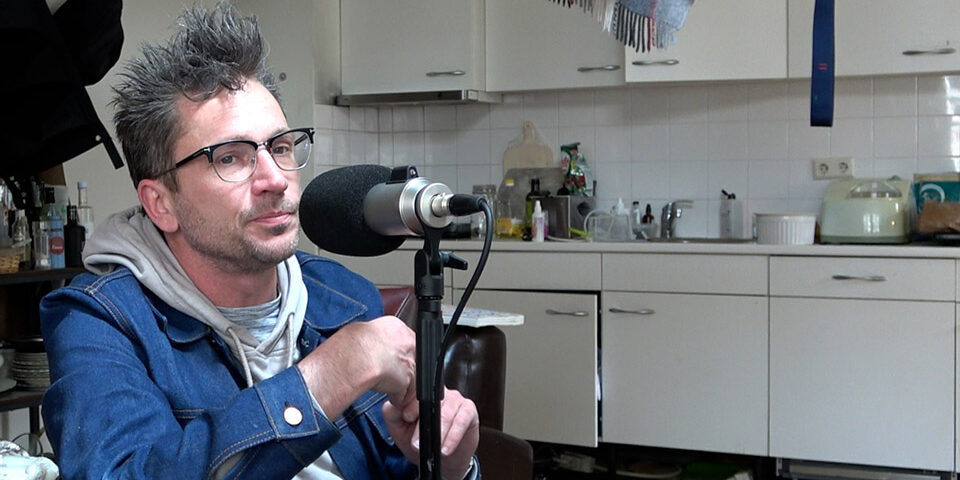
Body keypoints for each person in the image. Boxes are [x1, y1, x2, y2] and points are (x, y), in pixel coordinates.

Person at [38, 2, 480, 479]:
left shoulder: (341, 294)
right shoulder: (99, 320)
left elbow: (397, 464)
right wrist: (330, 374)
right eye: (230, 157)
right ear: (160, 203)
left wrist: (449, 466)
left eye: (281, 147)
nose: (275, 179)